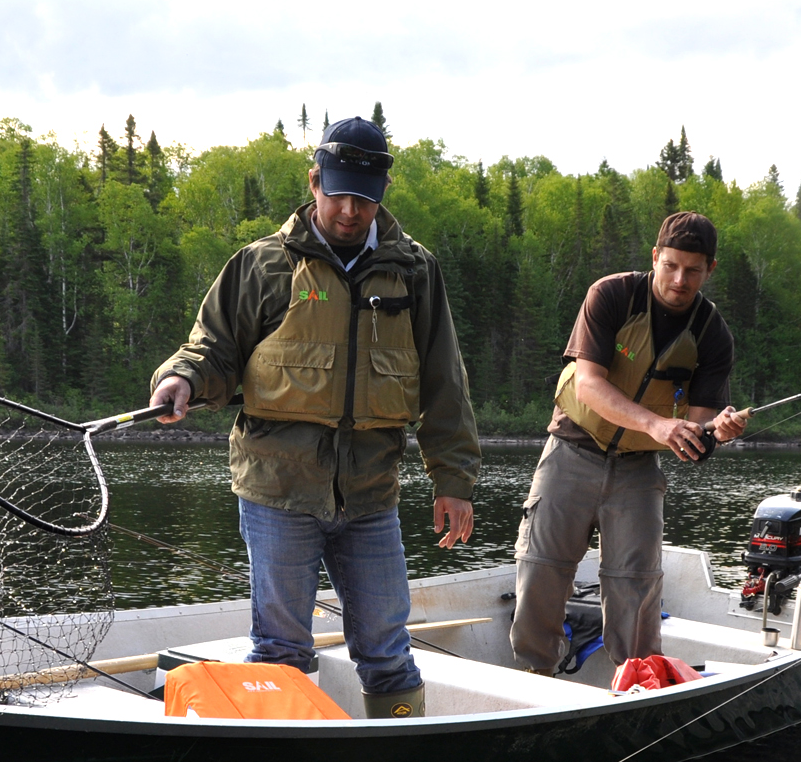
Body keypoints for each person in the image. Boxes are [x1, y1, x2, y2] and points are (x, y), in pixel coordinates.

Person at [148, 117, 480, 718]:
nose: (350, 210)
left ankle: (398, 758)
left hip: (371, 495)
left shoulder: (415, 271)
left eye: (365, 197)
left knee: (387, 649)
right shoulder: (261, 265)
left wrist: (453, 481)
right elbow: (213, 349)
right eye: (338, 193)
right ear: (314, 181)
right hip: (277, 489)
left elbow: (444, 382)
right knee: (280, 651)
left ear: (383, 193)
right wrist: (182, 379)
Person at [510, 211, 749, 675]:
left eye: (693, 270)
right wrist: (659, 424)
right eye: (672, 265)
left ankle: (637, 684)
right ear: (655, 257)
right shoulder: (612, 295)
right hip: (572, 449)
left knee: (636, 585)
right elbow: (589, 386)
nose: (680, 280)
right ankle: (532, 678)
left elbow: (697, 430)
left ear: (710, 270)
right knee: (542, 568)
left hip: (638, 467)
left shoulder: (712, 333)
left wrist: (716, 432)